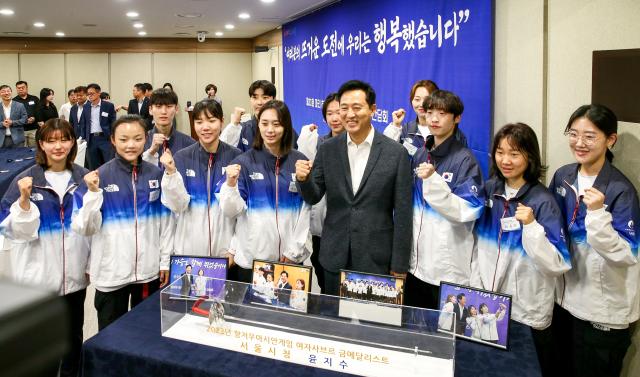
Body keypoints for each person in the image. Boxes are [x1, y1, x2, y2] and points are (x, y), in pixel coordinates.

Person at [296, 80, 413, 296]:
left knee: (373, 326)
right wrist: (303, 180)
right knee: (334, 324)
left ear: (373, 110)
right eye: (344, 108)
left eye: (357, 108)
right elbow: (314, 196)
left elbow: (404, 213)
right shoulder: (328, 149)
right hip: (334, 255)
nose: (350, 114)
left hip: (377, 259)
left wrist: (399, 263)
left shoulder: (395, 154)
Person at [472, 122, 570, 376]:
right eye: (500, 152)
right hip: (488, 304)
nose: (506, 160)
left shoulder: (542, 201)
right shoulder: (491, 189)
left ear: (530, 156)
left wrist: (532, 227)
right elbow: (476, 244)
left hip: (524, 313)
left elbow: (558, 264)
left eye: (514, 154)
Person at [550, 104, 639, 377]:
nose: (579, 143)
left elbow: (626, 254)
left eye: (590, 136)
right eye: (574, 134)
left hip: (602, 311)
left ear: (610, 140)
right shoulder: (563, 176)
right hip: (564, 302)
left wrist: (598, 214)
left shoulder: (620, 190)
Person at [0, 118, 89, 377]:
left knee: (73, 339)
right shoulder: (25, 179)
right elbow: (8, 230)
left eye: (64, 139)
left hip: (74, 278)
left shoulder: (83, 178)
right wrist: (25, 202)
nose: (58, 146)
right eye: (51, 140)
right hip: (39, 280)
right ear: (41, 144)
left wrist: (90, 264)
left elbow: (95, 227)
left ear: (73, 142)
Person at [71, 114, 172, 330]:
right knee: (110, 336)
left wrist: (164, 261)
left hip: (147, 271)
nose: (130, 145)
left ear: (146, 138)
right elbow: (83, 227)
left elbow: (165, 223)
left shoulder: (155, 174)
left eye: (137, 138)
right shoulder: (99, 176)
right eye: (124, 139)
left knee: (145, 333)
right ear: (113, 141)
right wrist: (92, 194)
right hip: (111, 273)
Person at [405, 90, 485, 310]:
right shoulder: (421, 153)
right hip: (416, 264)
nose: (434, 119)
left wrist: (433, 181)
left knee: (446, 337)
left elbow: (469, 211)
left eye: (442, 113)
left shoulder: (465, 160)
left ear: (456, 118)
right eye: (430, 112)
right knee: (416, 332)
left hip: (446, 268)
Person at [220, 100, 311, 283]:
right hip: (253, 261)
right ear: (258, 124)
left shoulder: (299, 161)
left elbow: (307, 210)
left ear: (285, 126)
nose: (270, 130)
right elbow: (232, 211)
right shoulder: (244, 162)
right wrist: (230, 184)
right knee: (251, 311)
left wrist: (294, 252)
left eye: (276, 124)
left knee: (289, 311)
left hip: (290, 261)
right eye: (265, 123)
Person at [160, 99, 240, 258]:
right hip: (189, 251)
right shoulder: (182, 158)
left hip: (225, 253)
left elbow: (242, 213)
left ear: (222, 121)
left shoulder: (236, 157)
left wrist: (234, 250)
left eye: (211, 121)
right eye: (199, 122)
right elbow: (177, 206)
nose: (205, 127)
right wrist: (171, 174)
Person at [296, 92, 344, 293]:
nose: (334, 118)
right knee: (323, 276)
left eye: (338, 112)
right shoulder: (319, 143)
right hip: (321, 228)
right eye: (329, 113)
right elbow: (310, 183)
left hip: (345, 228)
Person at [383, 80, 466, 155]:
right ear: (411, 101)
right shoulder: (407, 129)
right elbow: (387, 152)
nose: (422, 104)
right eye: (417, 99)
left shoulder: (451, 133)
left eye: (426, 99)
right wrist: (395, 125)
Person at [221, 80, 297, 152]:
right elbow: (227, 150)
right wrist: (234, 124)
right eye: (255, 97)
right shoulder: (244, 128)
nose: (259, 102)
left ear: (273, 99)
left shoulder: (285, 129)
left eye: (265, 98)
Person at [142, 88, 195, 167]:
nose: (163, 111)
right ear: (150, 110)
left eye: (169, 106)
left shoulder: (189, 144)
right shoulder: (141, 142)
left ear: (176, 109)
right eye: (158, 106)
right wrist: (150, 152)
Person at [79, 83, 116, 170]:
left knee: (109, 163)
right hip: (91, 139)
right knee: (93, 165)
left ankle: (109, 182)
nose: (90, 96)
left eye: (92, 93)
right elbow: (83, 123)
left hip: (105, 138)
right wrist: (83, 138)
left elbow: (113, 122)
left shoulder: (108, 106)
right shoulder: (86, 107)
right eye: (88, 94)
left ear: (99, 93)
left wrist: (112, 136)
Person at [13, 81, 39, 147]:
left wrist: (34, 118)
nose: (21, 89)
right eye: (18, 88)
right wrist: (23, 120)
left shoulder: (34, 98)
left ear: (27, 88)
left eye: (22, 87)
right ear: (16, 89)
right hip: (20, 130)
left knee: (34, 150)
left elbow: (39, 111)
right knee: (21, 150)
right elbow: (12, 115)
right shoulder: (13, 101)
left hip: (33, 129)